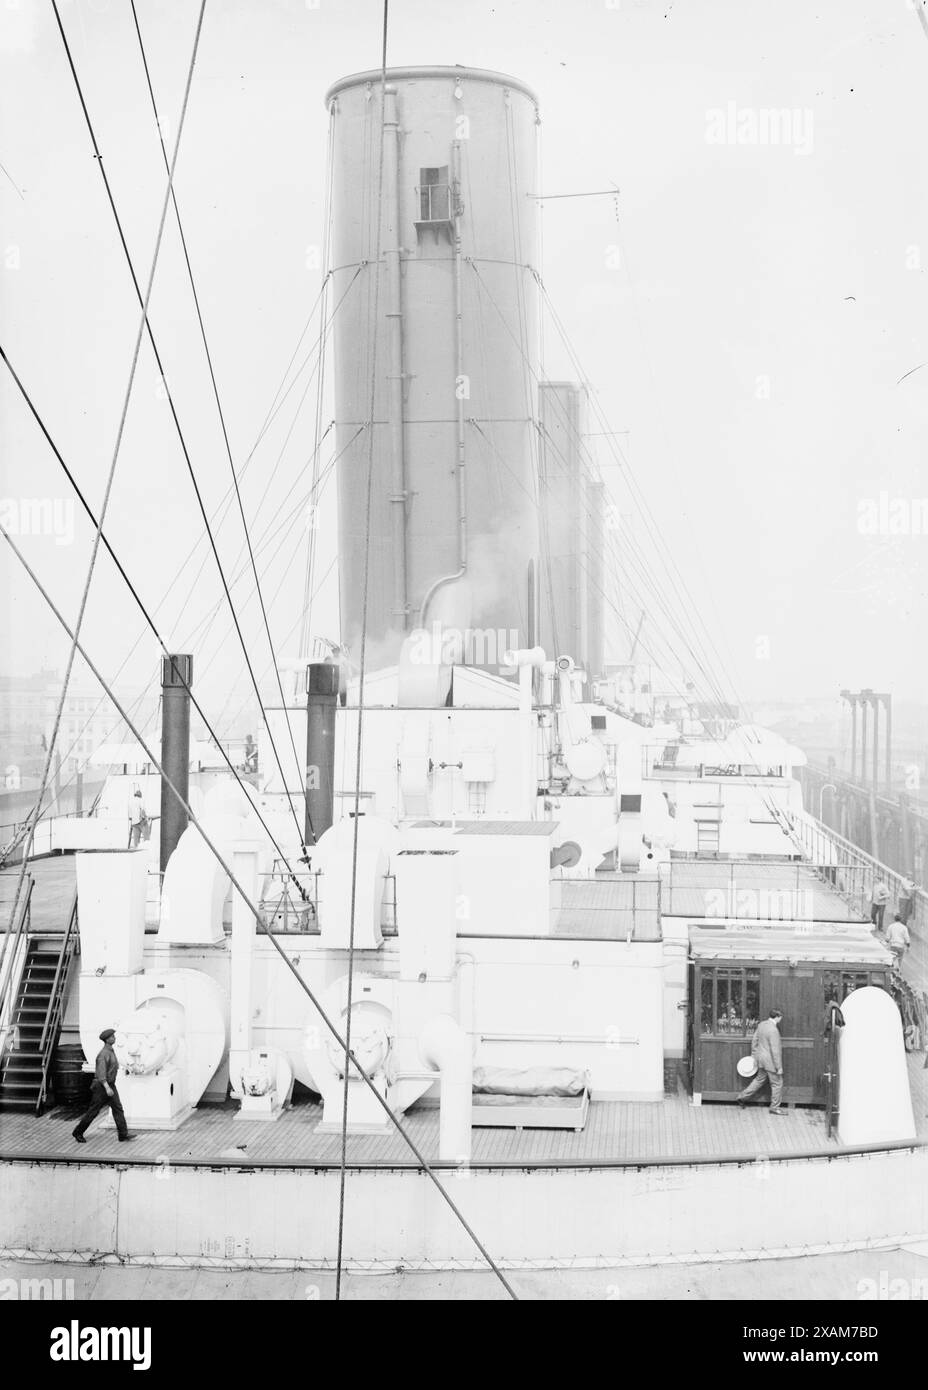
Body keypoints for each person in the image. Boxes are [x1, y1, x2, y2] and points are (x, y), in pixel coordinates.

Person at [72, 1029, 134, 1144]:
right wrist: (107, 1088)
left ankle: (123, 1135)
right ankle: (78, 1132)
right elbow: (101, 1074)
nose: (114, 1038)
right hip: (102, 1086)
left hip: (110, 1084)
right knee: (93, 1111)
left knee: (118, 1109)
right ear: (107, 1039)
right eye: (112, 1037)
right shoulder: (104, 1054)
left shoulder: (110, 1051)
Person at [737, 1009, 787, 1115]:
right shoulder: (773, 1030)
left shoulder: (762, 1025)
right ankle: (774, 1107)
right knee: (777, 1083)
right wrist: (779, 1067)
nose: (781, 1019)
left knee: (759, 1080)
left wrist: (754, 1056)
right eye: (781, 1017)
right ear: (777, 1017)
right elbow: (775, 1049)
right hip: (770, 1062)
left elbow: (755, 1040)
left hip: (761, 1059)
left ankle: (742, 1097)